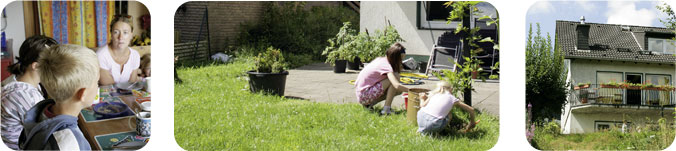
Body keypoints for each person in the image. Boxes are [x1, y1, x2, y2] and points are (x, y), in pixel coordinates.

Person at [19, 44, 99, 150]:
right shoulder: (69, 144)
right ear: (82, 94)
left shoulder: (38, 113)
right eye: (97, 82)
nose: (98, 86)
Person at [1, 35, 57, 150]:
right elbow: (45, 133)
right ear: (35, 66)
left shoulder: (18, 79)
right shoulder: (24, 95)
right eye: (53, 63)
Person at [355, 42, 409, 115]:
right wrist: (413, 91)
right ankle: (386, 109)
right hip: (365, 95)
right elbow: (396, 85)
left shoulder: (381, 59)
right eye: (401, 59)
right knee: (395, 79)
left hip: (361, 94)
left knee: (398, 90)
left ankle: (368, 105)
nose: (401, 61)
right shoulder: (387, 66)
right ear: (396, 58)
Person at [97, 14, 142, 85]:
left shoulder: (135, 55)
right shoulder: (101, 55)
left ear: (131, 35)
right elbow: (109, 87)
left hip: (129, 95)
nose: (120, 37)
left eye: (125, 32)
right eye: (116, 32)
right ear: (111, 34)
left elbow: (131, 85)